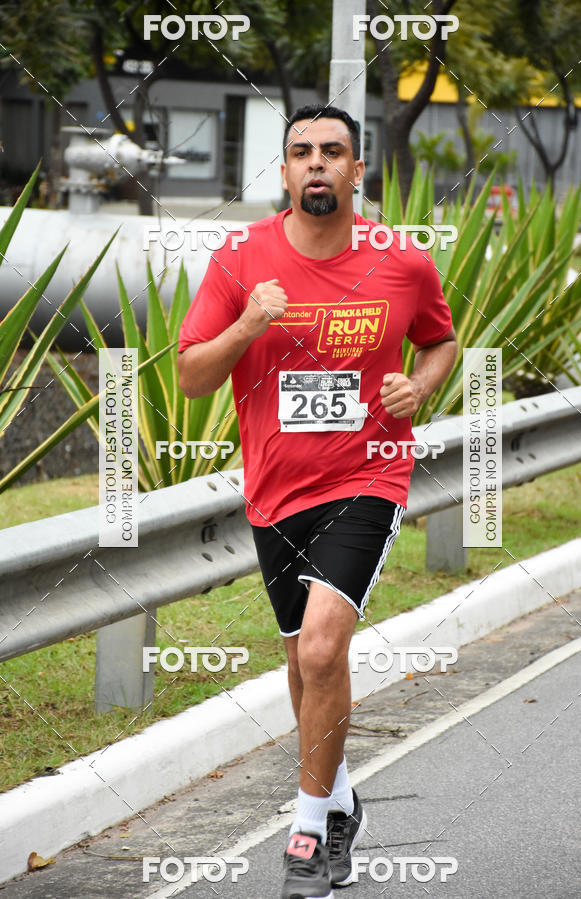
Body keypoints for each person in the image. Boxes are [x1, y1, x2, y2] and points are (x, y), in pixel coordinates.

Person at [177, 103, 457, 899]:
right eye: (302, 152)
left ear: (357, 170)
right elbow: (192, 373)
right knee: (303, 656)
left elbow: (441, 339)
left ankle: (305, 830)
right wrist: (248, 325)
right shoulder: (241, 261)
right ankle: (339, 801)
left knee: (325, 648)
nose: (317, 164)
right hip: (275, 488)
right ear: (284, 169)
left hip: (366, 473)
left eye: (333, 152)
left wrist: (421, 384)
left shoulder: (403, 262)